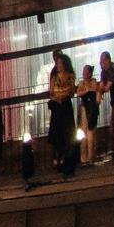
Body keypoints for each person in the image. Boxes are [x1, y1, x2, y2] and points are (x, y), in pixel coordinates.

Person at [47, 50, 78, 178]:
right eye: (57, 62)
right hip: (57, 108)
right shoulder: (54, 76)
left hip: (65, 107)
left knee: (67, 134)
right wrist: (56, 97)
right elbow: (52, 91)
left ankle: (68, 160)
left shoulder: (70, 75)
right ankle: (58, 159)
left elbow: (70, 90)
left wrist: (61, 96)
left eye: (60, 62)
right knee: (57, 134)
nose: (58, 65)